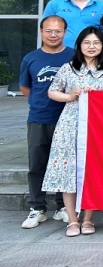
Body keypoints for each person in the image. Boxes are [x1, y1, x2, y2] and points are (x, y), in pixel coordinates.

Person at [42, 27, 103, 237]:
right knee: (68, 171)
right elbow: (52, 91)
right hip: (69, 124)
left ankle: (88, 219)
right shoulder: (68, 68)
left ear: (102, 46)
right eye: (87, 43)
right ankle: (72, 220)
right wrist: (70, 96)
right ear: (80, 46)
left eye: (96, 43)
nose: (91, 47)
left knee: (92, 170)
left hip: (97, 126)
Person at [19, 16, 71, 229]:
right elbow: (25, 87)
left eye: (58, 31)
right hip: (39, 119)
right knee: (37, 164)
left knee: (63, 164)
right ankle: (37, 208)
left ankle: (62, 207)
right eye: (49, 31)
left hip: (66, 119)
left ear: (65, 32)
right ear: (41, 32)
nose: (53, 34)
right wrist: (40, 102)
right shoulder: (31, 58)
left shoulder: (72, 56)